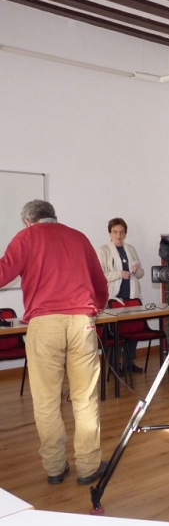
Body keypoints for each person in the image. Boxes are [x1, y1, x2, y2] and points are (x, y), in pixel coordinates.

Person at [0, 200, 108, 485]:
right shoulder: (79, 237)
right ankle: (88, 467)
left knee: (46, 400)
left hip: (44, 325)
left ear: (27, 221)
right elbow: (100, 284)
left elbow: (1, 276)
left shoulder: (27, 237)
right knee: (85, 398)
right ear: (54, 217)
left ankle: (55, 468)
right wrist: (94, 308)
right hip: (81, 323)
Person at [96, 217, 145, 372]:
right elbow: (99, 275)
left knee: (132, 329)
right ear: (110, 233)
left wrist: (136, 272)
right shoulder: (103, 250)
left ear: (125, 234)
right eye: (115, 232)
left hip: (131, 297)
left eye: (122, 232)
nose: (119, 235)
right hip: (113, 299)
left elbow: (141, 273)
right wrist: (118, 274)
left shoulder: (130, 249)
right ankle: (113, 365)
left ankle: (129, 363)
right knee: (114, 332)